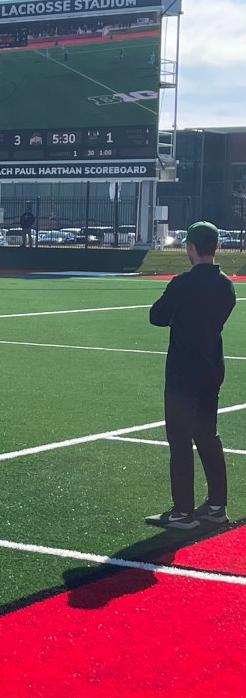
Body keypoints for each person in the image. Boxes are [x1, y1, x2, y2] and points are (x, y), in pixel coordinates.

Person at [145, 221, 236, 529]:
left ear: (190, 248)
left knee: (180, 440)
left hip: (183, 372)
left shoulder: (182, 283)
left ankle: (183, 512)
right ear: (216, 246)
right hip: (212, 367)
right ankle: (216, 505)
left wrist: (178, 317)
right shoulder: (225, 284)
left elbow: (156, 316)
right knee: (208, 435)